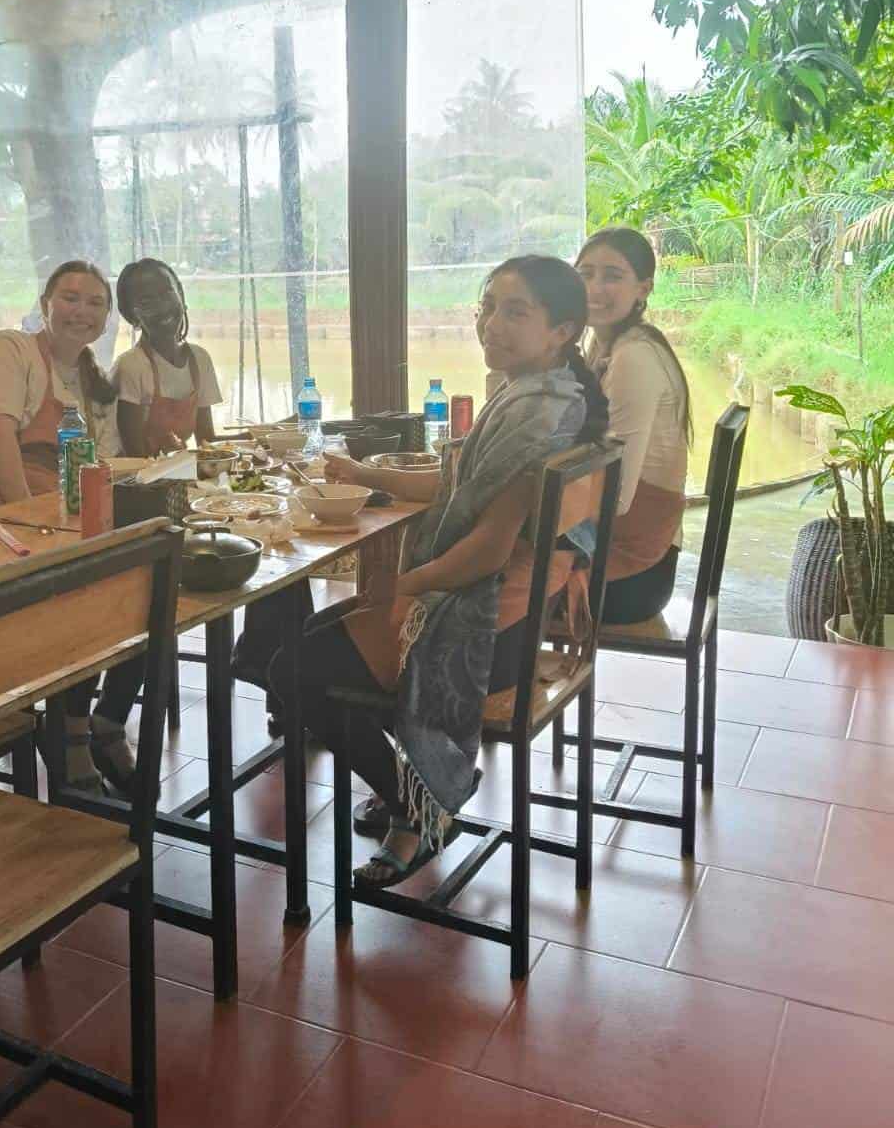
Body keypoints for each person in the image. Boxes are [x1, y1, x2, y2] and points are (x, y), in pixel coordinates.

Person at [271, 256, 609, 889]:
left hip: (489, 628)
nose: (491, 324)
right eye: (487, 307)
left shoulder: (537, 418)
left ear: (562, 331)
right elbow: (458, 486)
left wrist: (402, 587)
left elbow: (484, 553)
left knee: (295, 669)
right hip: (510, 612)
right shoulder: (540, 393)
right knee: (310, 642)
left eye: (515, 312)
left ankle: (420, 810)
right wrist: (365, 473)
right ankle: (414, 788)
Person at [0, 259, 136, 797]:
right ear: (45, 304)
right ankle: (71, 738)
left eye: (95, 303)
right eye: (70, 297)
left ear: (106, 318)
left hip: (57, 520)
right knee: (85, 587)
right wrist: (31, 520)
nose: (81, 311)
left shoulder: (92, 378)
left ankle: (102, 721)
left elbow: (104, 461)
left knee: (140, 574)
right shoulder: (9, 350)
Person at [576, 227, 691, 625]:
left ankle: (513, 665)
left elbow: (616, 498)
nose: (595, 288)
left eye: (612, 276)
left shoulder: (634, 357)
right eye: (585, 274)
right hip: (617, 550)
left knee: (486, 585)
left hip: (631, 574)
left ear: (643, 288)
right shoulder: (602, 346)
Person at [114, 258, 223, 456]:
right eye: (147, 302)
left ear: (180, 294)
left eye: (167, 294)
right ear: (131, 316)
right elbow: (135, 456)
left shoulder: (199, 359)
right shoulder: (131, 366)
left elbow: (207, 442)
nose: (162, 307)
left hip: (176, 469)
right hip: (138, 474)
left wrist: (263, 436)